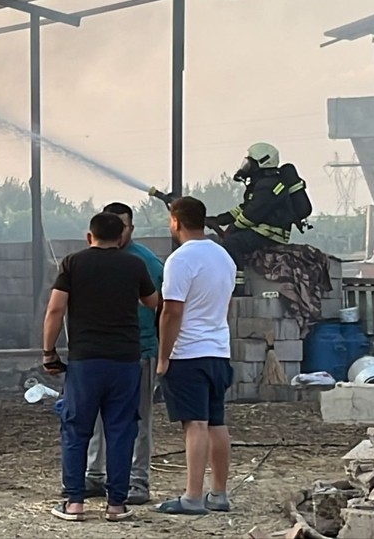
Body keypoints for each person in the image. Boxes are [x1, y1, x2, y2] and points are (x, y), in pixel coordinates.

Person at [42, 213, 160, 522]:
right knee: (121, 430)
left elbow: (56, 309)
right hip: (125, 361)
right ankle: (117, 505)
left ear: (88, 236)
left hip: (85, 362)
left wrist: (49, 352)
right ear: (121, 237)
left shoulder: (72, 263)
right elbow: (153, 302)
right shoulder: (135, 265)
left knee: (77, 429)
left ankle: (74, 503)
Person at [155, 196, 236, 516]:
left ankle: (192, 496)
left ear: (175, 221)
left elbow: (171, 311)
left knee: (195, 424)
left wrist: (164, 357)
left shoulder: (180, 259)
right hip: (218, 350)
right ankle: (219, 492)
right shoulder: (223, 256)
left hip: (189, 353)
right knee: (217, 422)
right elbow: (226, 304)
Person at [84, 202, 163, 505]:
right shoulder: (90, 261)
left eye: (123, 226)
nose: (117, 232)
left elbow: (164, 305)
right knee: (95, 417)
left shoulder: (146, 263)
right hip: (101, 352)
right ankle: (94, 475)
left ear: (131, 229)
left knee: (137, 419)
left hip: (138, 351)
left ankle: (137, 481)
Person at [211, 142, 311, 269]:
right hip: (262, 231)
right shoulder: (261, 184)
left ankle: (238, 284)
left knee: (232, 243)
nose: (246, 166)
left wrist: (231, 229)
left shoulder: (269, 186)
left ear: (262, 162)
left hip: (269, 234)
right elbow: (244, 208)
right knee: (225, 240)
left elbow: (251, 215)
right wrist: (218, 220)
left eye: (250, 163)